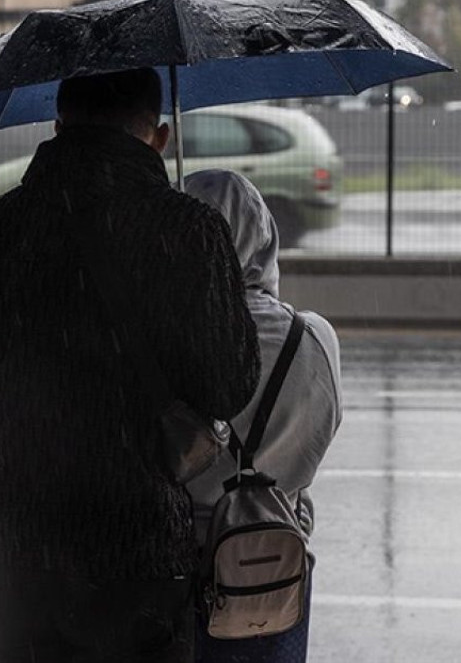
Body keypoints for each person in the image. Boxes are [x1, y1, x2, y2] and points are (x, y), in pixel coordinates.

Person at [0, 67, 261, 663]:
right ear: (159, 138)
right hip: (142, 556)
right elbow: (230, 384)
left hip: (18, 560)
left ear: (56, 127)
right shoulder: (190, 230)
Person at [183, 169, 343, 663]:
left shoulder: (167, 341)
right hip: (280, 566)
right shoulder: (313, 337)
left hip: (185, 571)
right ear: (265, 235)